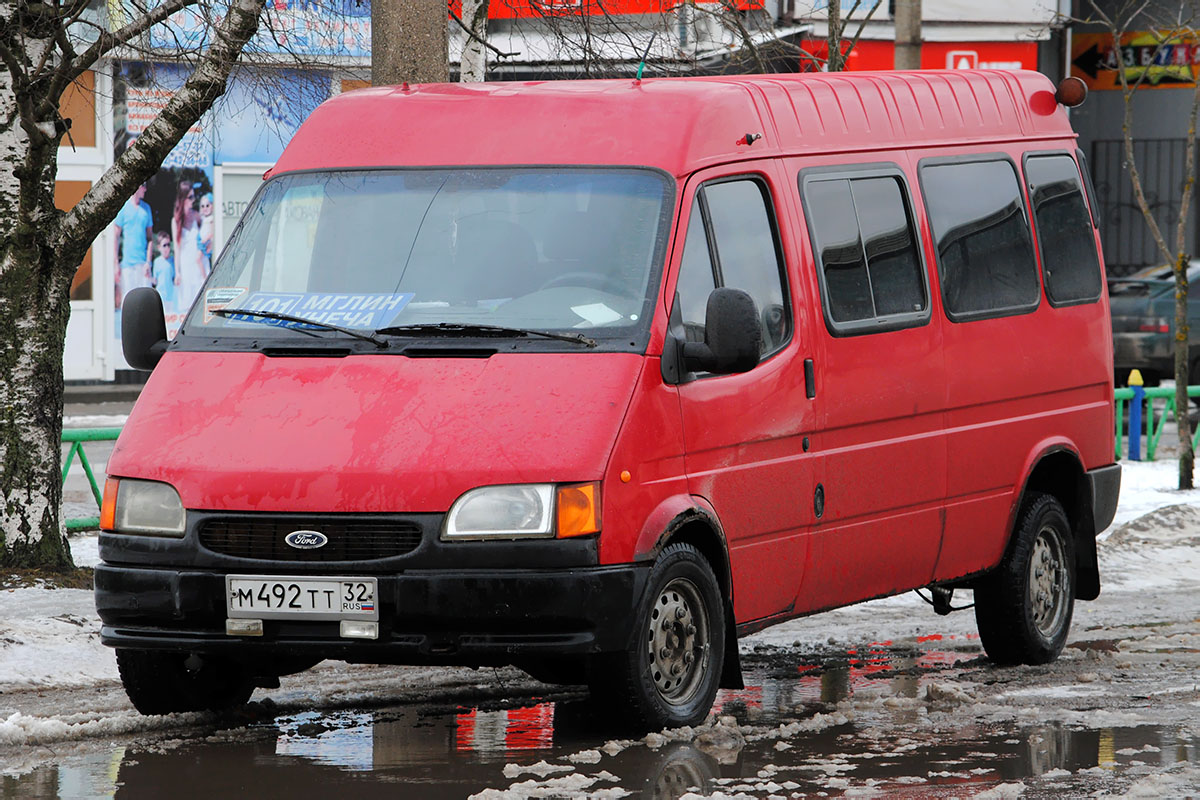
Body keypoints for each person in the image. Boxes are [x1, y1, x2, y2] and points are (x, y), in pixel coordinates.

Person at [113, 184, 153, 309]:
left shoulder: (146, 209)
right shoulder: (123, 208)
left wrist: (148, 262)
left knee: (146, 304)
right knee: (128, 303)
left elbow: (150, 238)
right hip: (127, 265)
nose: (145, 189)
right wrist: (116, 263)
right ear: (137, 187)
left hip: (143, 265)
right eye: (143, 186)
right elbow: (115, 236)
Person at [172, 181, 203, 310]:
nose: (193, 200)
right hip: (185, 265)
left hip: (198, 263)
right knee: (186, 301)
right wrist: (177, 272)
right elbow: (177, 249)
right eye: (190, 197)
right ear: (183, 198)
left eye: (194, 196)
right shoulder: (176, 221)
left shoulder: (196, 216)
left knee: (199, 300)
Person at [151, 231, 175, 312]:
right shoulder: (157, 262)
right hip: (161, 296)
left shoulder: (173, 261)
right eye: (164, 245)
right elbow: (155, 280)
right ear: (159, 247)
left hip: (171, 297)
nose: (167, 248)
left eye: (168, 245)